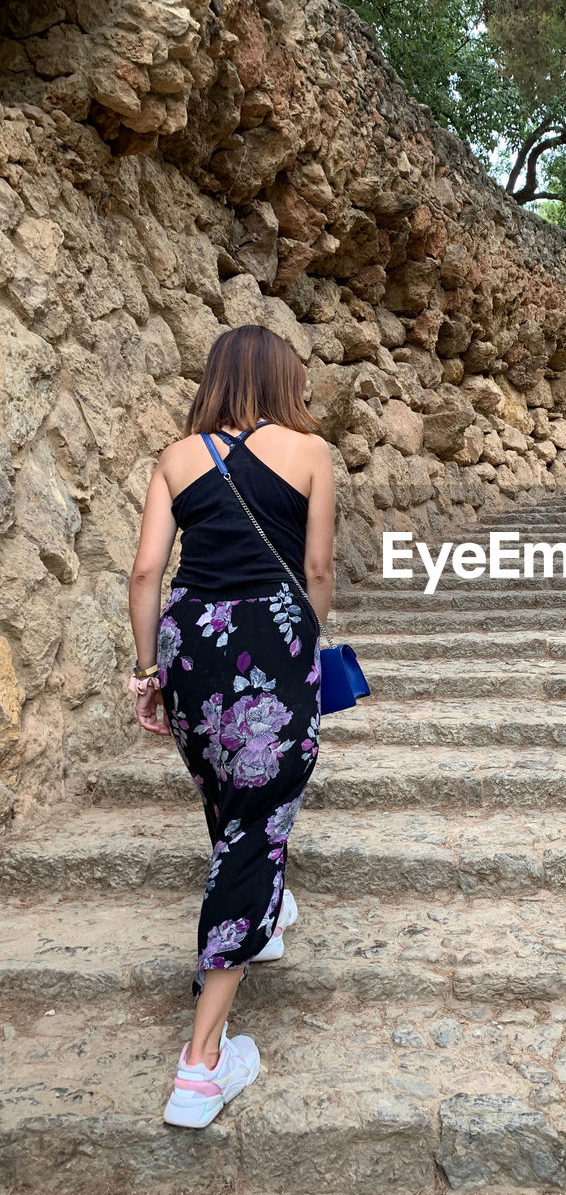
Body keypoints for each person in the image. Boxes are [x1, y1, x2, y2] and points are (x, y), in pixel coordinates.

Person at [128, 324, 335, 1128]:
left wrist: (148, 670)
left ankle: (266, 908)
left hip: (190, 642)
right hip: (272, 634)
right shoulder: (310, 451)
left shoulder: (177, 457)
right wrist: (301, 644)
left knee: (233, 795)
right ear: (284, 377)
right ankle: (201, 1066)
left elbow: (147, 569)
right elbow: (316, 571)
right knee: (258, 823)